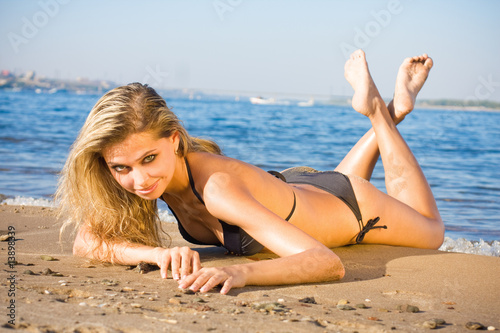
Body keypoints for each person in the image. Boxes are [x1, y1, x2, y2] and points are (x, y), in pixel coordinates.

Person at [57, 50, 444, 294]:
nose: (138, 181)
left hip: (353, 206)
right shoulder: (140, 177)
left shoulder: (217, 190)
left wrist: (241, 274)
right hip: (296, 190)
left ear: (174, 140)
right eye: (120, 167)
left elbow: (327, 262)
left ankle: (382, 111)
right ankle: (389, 113)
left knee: (432, 233)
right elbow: (85, 244)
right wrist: (157, 254)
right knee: (324, 196)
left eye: (148, 160)